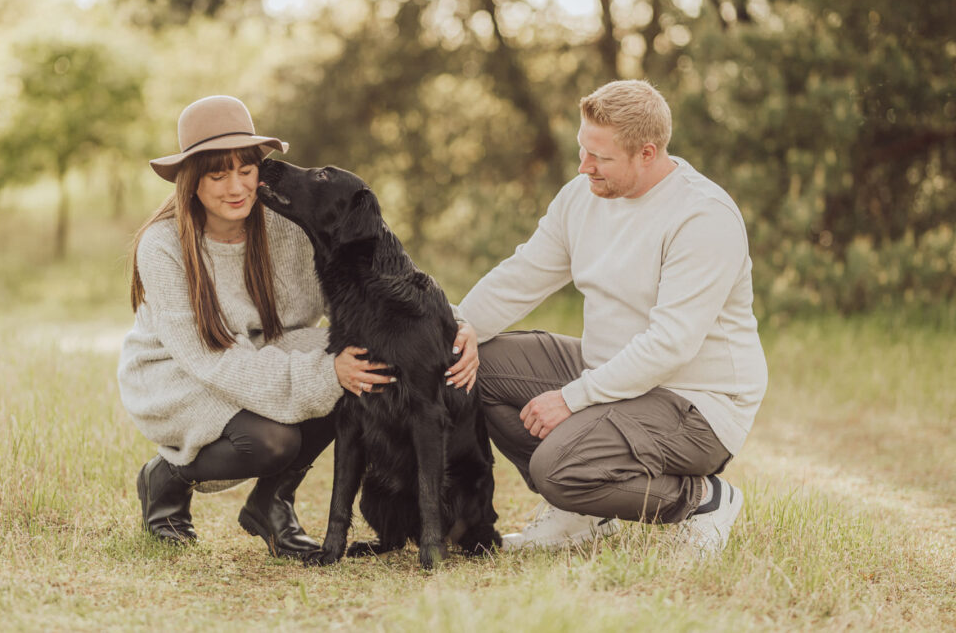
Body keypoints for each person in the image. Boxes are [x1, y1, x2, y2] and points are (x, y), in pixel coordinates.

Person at [118, 96, 480, 556]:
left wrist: (457, 324)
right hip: (179, 372)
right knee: (272, 442)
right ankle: (167, 477)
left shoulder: (283, 221)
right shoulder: (163, 245)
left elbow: (375, 278)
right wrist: (324, 374)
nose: (236, 187)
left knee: (366, 365)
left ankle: (270, 504)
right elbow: (211, 361)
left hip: (267, 350)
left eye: (245, 170)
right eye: (217, 174)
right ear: (191, 182)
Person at [457, 80, 768, 556]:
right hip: (610, 371)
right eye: (583, 150)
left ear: (647, 153)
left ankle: (703, 500)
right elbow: (522, 275)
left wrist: (573, 398)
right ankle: (581, 515)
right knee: (476, 365)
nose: (584, 167)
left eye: (599, 157)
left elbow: (670, 345)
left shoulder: (703, 217)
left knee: (556, 468)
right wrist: (456, 329)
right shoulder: (583, 196)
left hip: (697, 401)